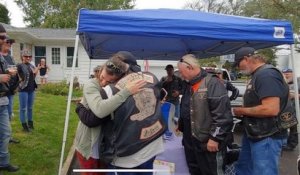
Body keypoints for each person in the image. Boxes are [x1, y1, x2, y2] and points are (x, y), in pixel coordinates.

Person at [77, 51, 166, 175]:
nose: (103, 83)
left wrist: (80, 108)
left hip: (125, 154)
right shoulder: (151, 78)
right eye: (102, 78)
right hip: (150, 145)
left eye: (108, 81)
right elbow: (161, 95)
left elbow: (92, 118)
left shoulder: (111, 90)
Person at [232, 47, 288, 175]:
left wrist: (243, 111)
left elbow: (271, 109)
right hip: (255, 132)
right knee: (244, 168)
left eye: (238, 64)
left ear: (246, 59)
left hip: (267, 134)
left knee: (264, 171)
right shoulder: (259, 74)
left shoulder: (266, 75)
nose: (238, 68)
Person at [177, 54, 233, 175]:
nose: (181, 76)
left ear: (190, 67)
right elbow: (187, 107)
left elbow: (223, 116)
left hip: (208, 142)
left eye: (182, 72)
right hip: (190, 141)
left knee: (211, 171)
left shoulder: (212, 83)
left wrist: (215, 138)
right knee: (194, 170)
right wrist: (181, 125)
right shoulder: (189, 84)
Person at [0, 23, 19, 172]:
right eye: (2, 37)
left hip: (3, 99)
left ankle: (4, 162)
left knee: (6, 133)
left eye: (5, 37)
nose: (4, 40)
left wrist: (7, 72)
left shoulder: (2, 56)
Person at [17, 49, 39, 132]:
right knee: (23, 108)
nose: (28, 58)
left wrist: (36, 72)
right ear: (22, 57)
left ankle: (30, 123)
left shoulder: (31, 65)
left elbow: (33, 77)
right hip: (23, 89)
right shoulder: (19, 65)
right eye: (26, 56)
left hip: (31, 88)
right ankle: (24, 125)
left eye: (30, 56)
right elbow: (19, 77)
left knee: (30, 108)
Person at [159, 64, 182, 139]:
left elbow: (183, 88)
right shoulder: (163, 78)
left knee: (176, 118)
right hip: (166, 102)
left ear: (173, 70)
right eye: (167, 70)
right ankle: (166, 132)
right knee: (166, 118)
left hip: (175, 102)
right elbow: (159, 88)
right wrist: (165, 82)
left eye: (170, 70)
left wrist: (178, 92)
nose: (169, 72)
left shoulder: (178, 79)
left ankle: (176, 133)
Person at [282, 68, 299, 151]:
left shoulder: (298, 83)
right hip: (284, 108)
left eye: (288, 73)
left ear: (293, 73)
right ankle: (284, 142)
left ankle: (292, 144)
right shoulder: (282, 83)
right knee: (283, 125)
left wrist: (295, 96)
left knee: (293, 126)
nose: (287, 75)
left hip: (295, 108)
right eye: (285, 73)